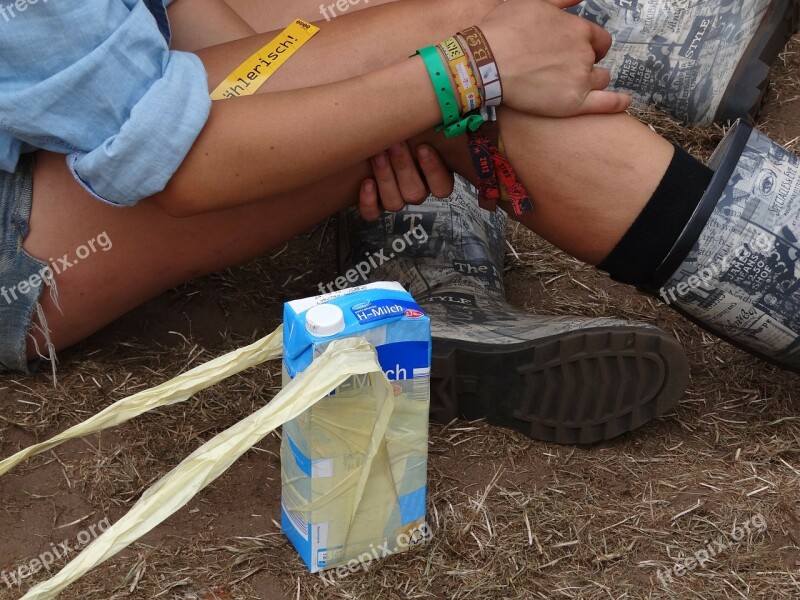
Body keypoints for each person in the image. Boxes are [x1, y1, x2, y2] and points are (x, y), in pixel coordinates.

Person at [0, 0, 797, 442]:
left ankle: (434, 271)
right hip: (26, 245)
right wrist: (461, 68)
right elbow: (170, 157)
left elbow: (177, 15)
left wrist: (354, 110)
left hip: (81, 120)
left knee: (417, 46)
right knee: (450, 48)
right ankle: (771, 257)